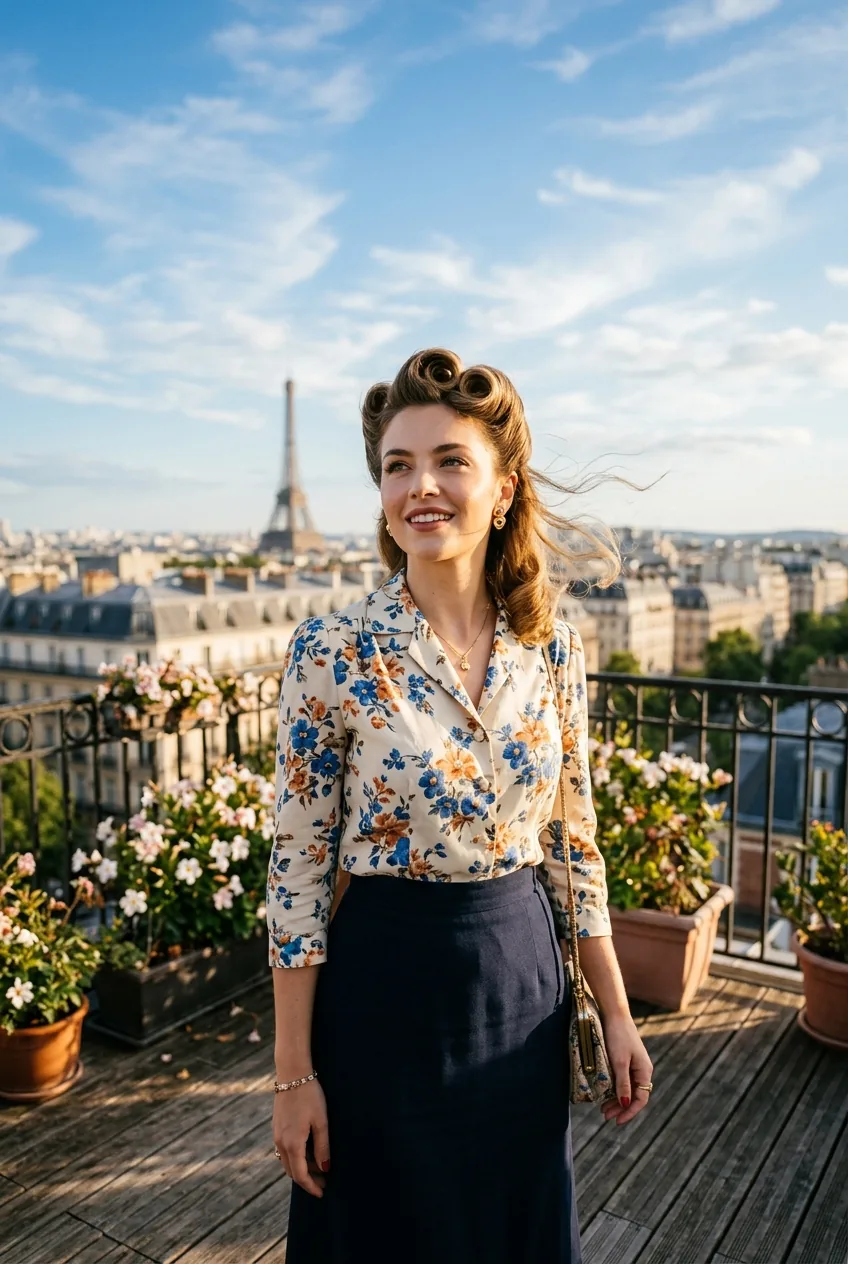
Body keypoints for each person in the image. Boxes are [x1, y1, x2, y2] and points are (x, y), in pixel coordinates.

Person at [267, 348, 653, 1264]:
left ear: (504, 488)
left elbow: (574, 846)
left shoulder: (554, 647)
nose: (420, 487)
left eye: (449, 461)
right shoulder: (332, 649)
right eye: (398, 466)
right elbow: (297, 872)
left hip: (522, 986)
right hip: (381, 994)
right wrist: (292, 1075)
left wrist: (619, 1010)